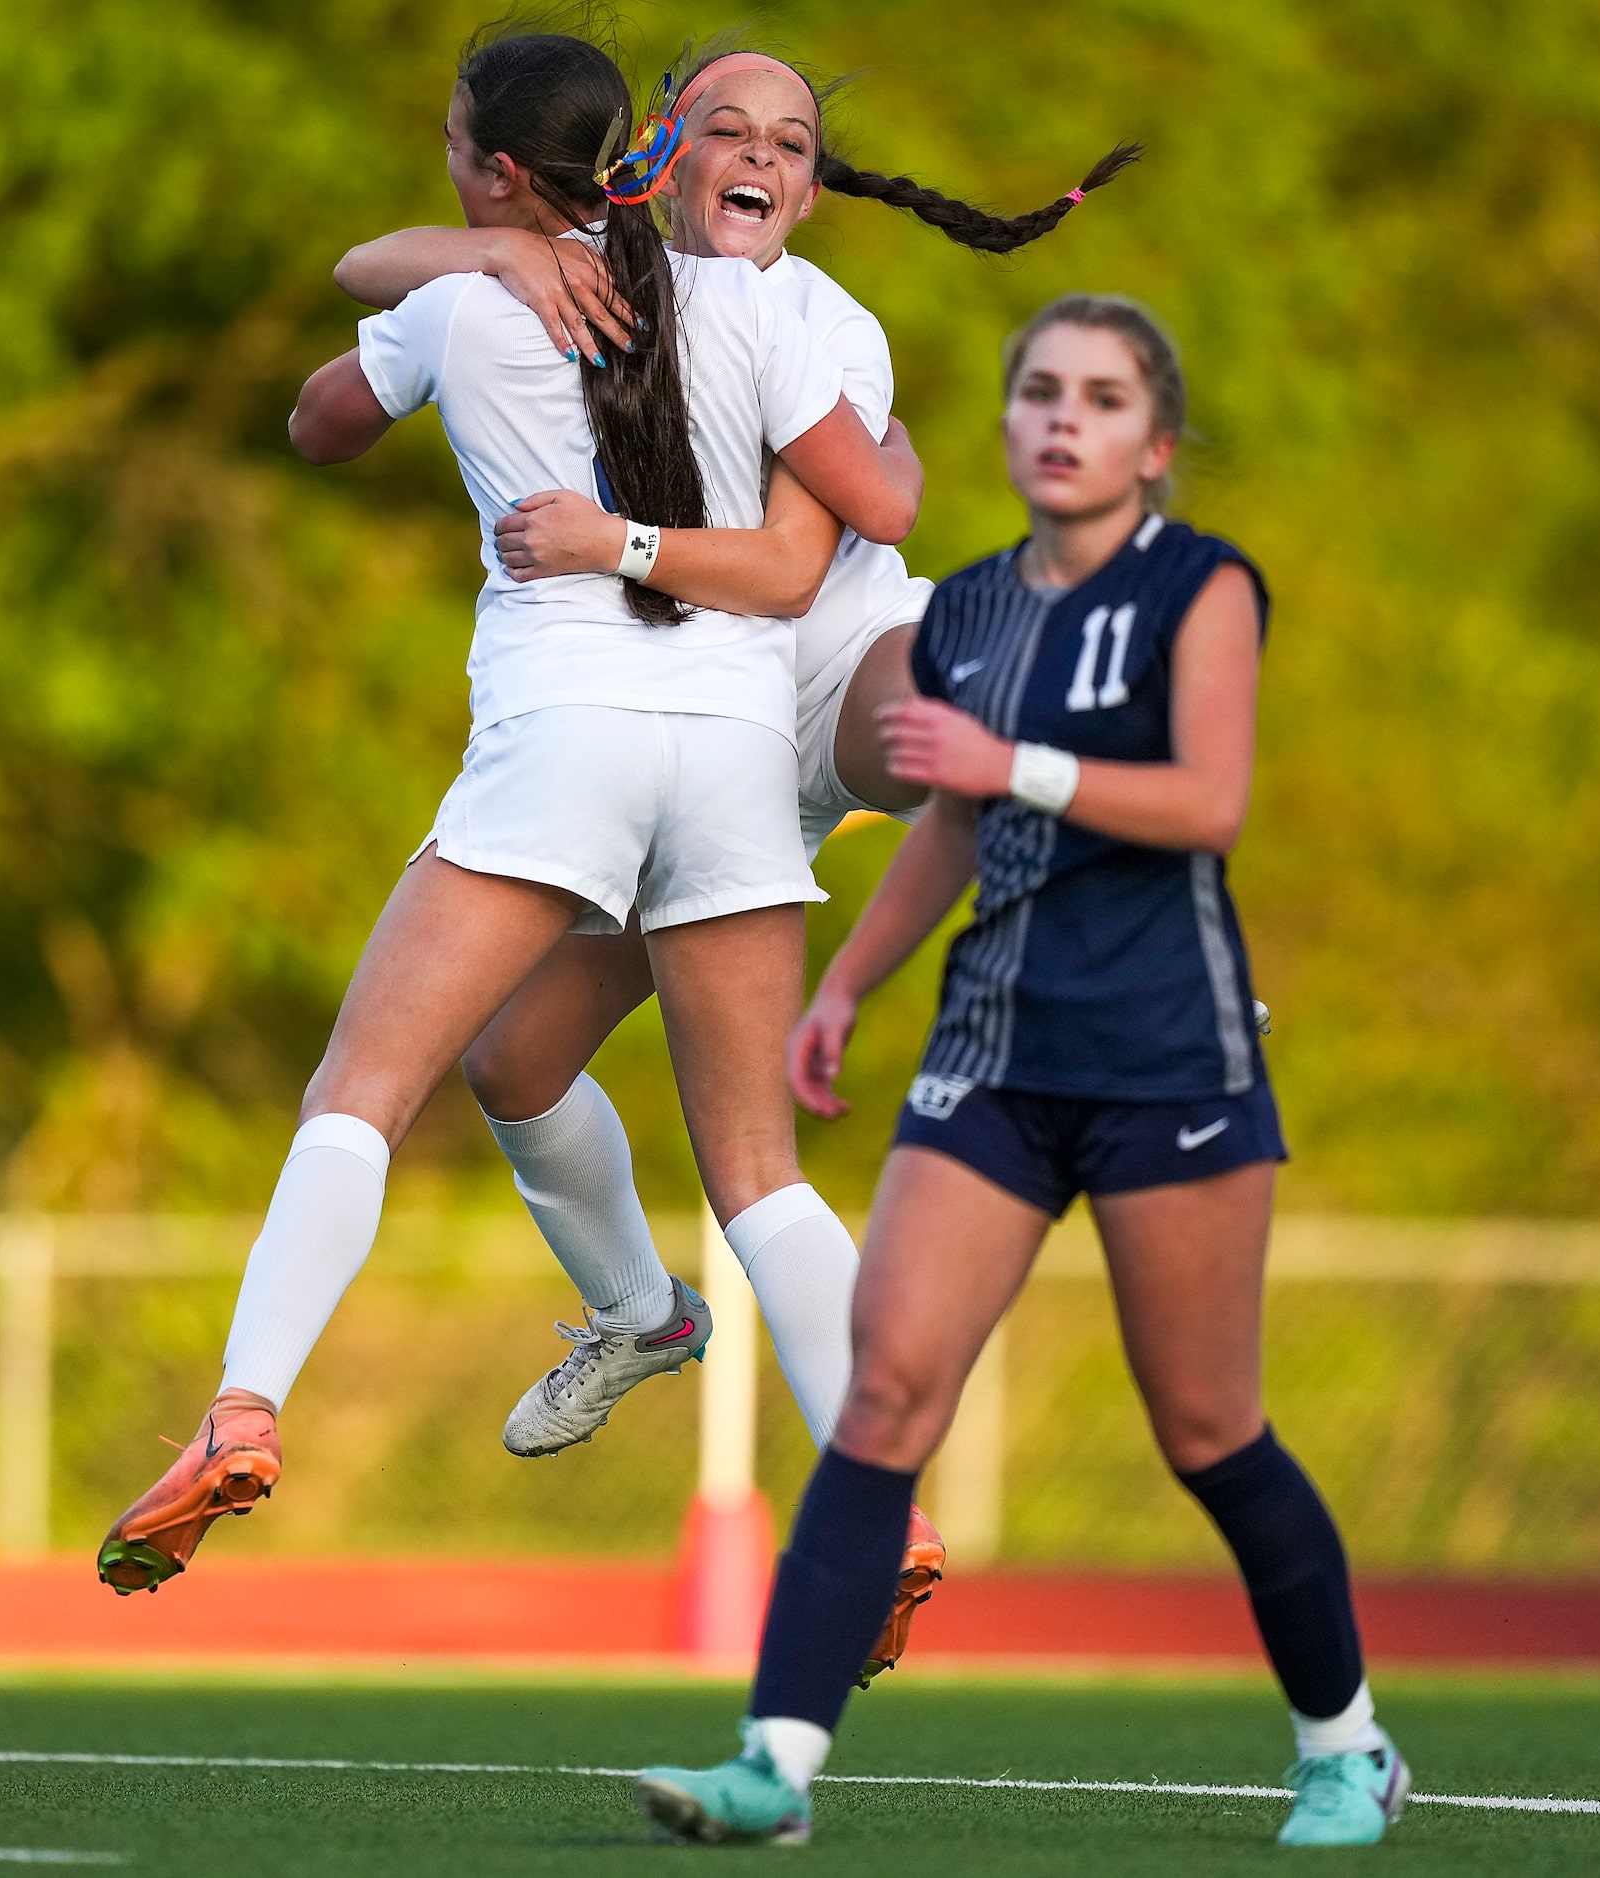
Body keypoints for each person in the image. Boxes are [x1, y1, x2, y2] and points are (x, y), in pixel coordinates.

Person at [334, 43, 1134, 1679]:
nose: (763, 156)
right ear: (653, 157)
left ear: (813, 190)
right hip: (681, 743)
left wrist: (620, 537)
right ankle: (643, 1315)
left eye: (795, 143)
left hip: (810, 667)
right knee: (512, 1058)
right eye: (728, 129)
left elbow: (794, 563)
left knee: (924, 706)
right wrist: (495, 248)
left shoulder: (808, 315)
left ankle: (1043, 788)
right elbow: (359, 306)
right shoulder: (575, 277)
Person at [93, 28, 922, 1595]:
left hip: (568, 743)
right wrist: (895, 451)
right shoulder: (757, 304)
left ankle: (244, 1404)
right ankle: (883, 1493)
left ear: (485, 164)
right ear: (647, 151)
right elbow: (870, 505)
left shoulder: (467, 302)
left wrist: (460, 290)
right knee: (752, 1167)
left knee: (362, 1088)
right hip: (735, 755)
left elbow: (317, 424)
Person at [633, 295, 1409, 1850]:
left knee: (1208, 1429)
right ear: (1004, 424)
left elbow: (1207, 801)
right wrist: (845, 983)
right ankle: (775, 1764)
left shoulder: (1204, 587)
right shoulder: (969, 607)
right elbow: (949, 824)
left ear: (1154, 444)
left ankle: (1345, 1743)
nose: (1064, 418)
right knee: (884, 1397)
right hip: (991, 1057)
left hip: (1166, 1058)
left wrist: (1012, 767)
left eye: (1102, 398)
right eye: (1040, 391)